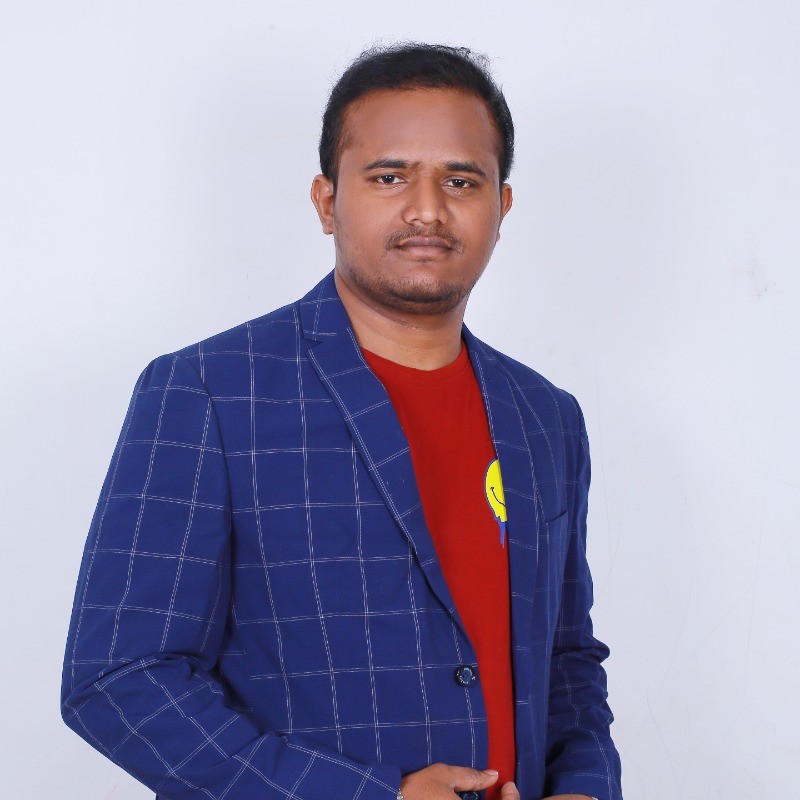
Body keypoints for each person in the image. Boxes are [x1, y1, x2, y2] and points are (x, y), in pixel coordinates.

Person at [61, 43, 622, 800]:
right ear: (327, 201)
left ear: (502, 206)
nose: (428, 209)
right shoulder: (210, 392)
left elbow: (566, 658)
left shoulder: (545, 417)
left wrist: (584, 784)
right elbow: (119, 679)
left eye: (461, 180)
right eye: (389, 177)